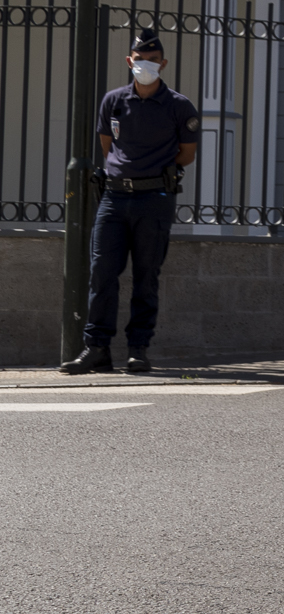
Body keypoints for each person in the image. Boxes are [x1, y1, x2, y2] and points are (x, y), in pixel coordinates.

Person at [62, 29, 198, 376]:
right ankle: (97, 348)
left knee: (146, 276)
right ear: (129, 61)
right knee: (102, 274)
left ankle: (138, 349)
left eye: (153, 60)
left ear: (163, 64)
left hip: (154, 198)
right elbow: (108, 146)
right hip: (114, 198)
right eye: (140, 60)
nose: (145, 65)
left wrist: (151, 170)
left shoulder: (179, 106)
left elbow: (186, 155)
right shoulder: (114, 101)